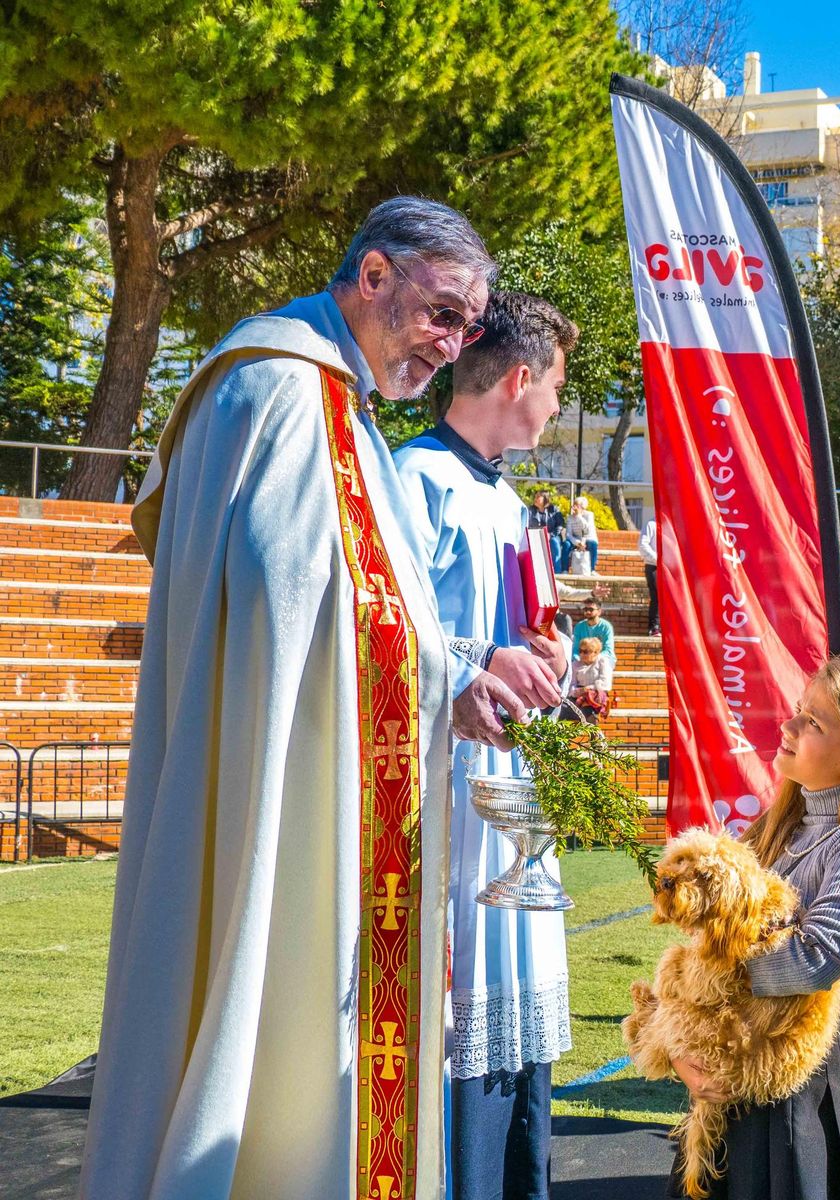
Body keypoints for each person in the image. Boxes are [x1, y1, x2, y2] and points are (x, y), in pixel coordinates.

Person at [81, 197, 544, 1200]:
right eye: (442, 312)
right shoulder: (295, 394)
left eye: (468, 326)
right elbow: (296, 607)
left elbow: (341, 599)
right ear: (373, 276)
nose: (452, 344)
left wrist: (453, 666)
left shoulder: (313, 395)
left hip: (286, 762)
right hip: (288, 794)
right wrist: (454, 676)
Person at [394, 290, 580, 1200]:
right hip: (448, 795)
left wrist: (553, 660)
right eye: (555, 387)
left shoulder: (509, 499)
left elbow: (524, 636)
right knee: (465, 1022)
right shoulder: (414, 478)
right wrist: (477, 657)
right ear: (518, 378)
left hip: (513, 791)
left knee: (524, 1026)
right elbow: (377, 629)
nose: (555, 406)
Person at [666, 658, 840, 1200]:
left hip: (799, 1086)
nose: (787, 728)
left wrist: (710, 971)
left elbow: (817, 956)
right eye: (797, 713)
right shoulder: (780, 822)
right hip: (736, 1071)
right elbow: (710, 935)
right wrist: (683, 1048)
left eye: (813, 722)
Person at [569, 636, 613, 722]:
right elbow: (571, 685)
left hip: (596, 696)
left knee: (589, 710)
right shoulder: (575, 664)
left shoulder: (602, 662)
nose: (581, 654)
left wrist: (589, 689)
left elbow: (606, 684)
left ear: (596, 652)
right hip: (579, 695)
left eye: (585, 652)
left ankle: (594, 733)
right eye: (580, 651)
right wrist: (579, 691)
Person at [528, 487, 568, 572]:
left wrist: (551, 534)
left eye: (538, 497)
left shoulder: (554, 509)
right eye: (535, 496)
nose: (535, 499)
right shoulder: (531, 510)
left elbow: (560, 525)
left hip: (553, 535)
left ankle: (557, 572)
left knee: (554, 542)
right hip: (536, 535)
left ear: (545, 499)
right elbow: (527, 524)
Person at [572, 596, 615, 664]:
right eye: (585, 609)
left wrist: (592, 659)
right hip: (583, 660)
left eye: (591, 609)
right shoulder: (579, 626)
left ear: (599, 611)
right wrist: (579, 659)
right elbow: (575, 649)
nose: (588, 612)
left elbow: (608, 650)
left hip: (602, 660)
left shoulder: (606, 627)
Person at [565, 495, 600, 575]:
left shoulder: (589, 515)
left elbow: (587, 530)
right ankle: (565, 570)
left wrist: (578, 516)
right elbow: (568, 534)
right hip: (576, 540)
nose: (574, 507)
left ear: (582, 507)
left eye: (576, 505)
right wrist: (578, 543)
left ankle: (592, 570)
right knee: (566, 544)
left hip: (588, 538)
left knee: (592, 544)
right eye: (574, 504)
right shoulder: (570, 518)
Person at [639, 516, 660, 636]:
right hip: (654, 566)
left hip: (672, 566)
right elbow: (642, 545)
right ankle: (654, 627)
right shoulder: (651, 524)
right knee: (656, 596)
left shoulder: (675, 525)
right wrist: (658, 560)